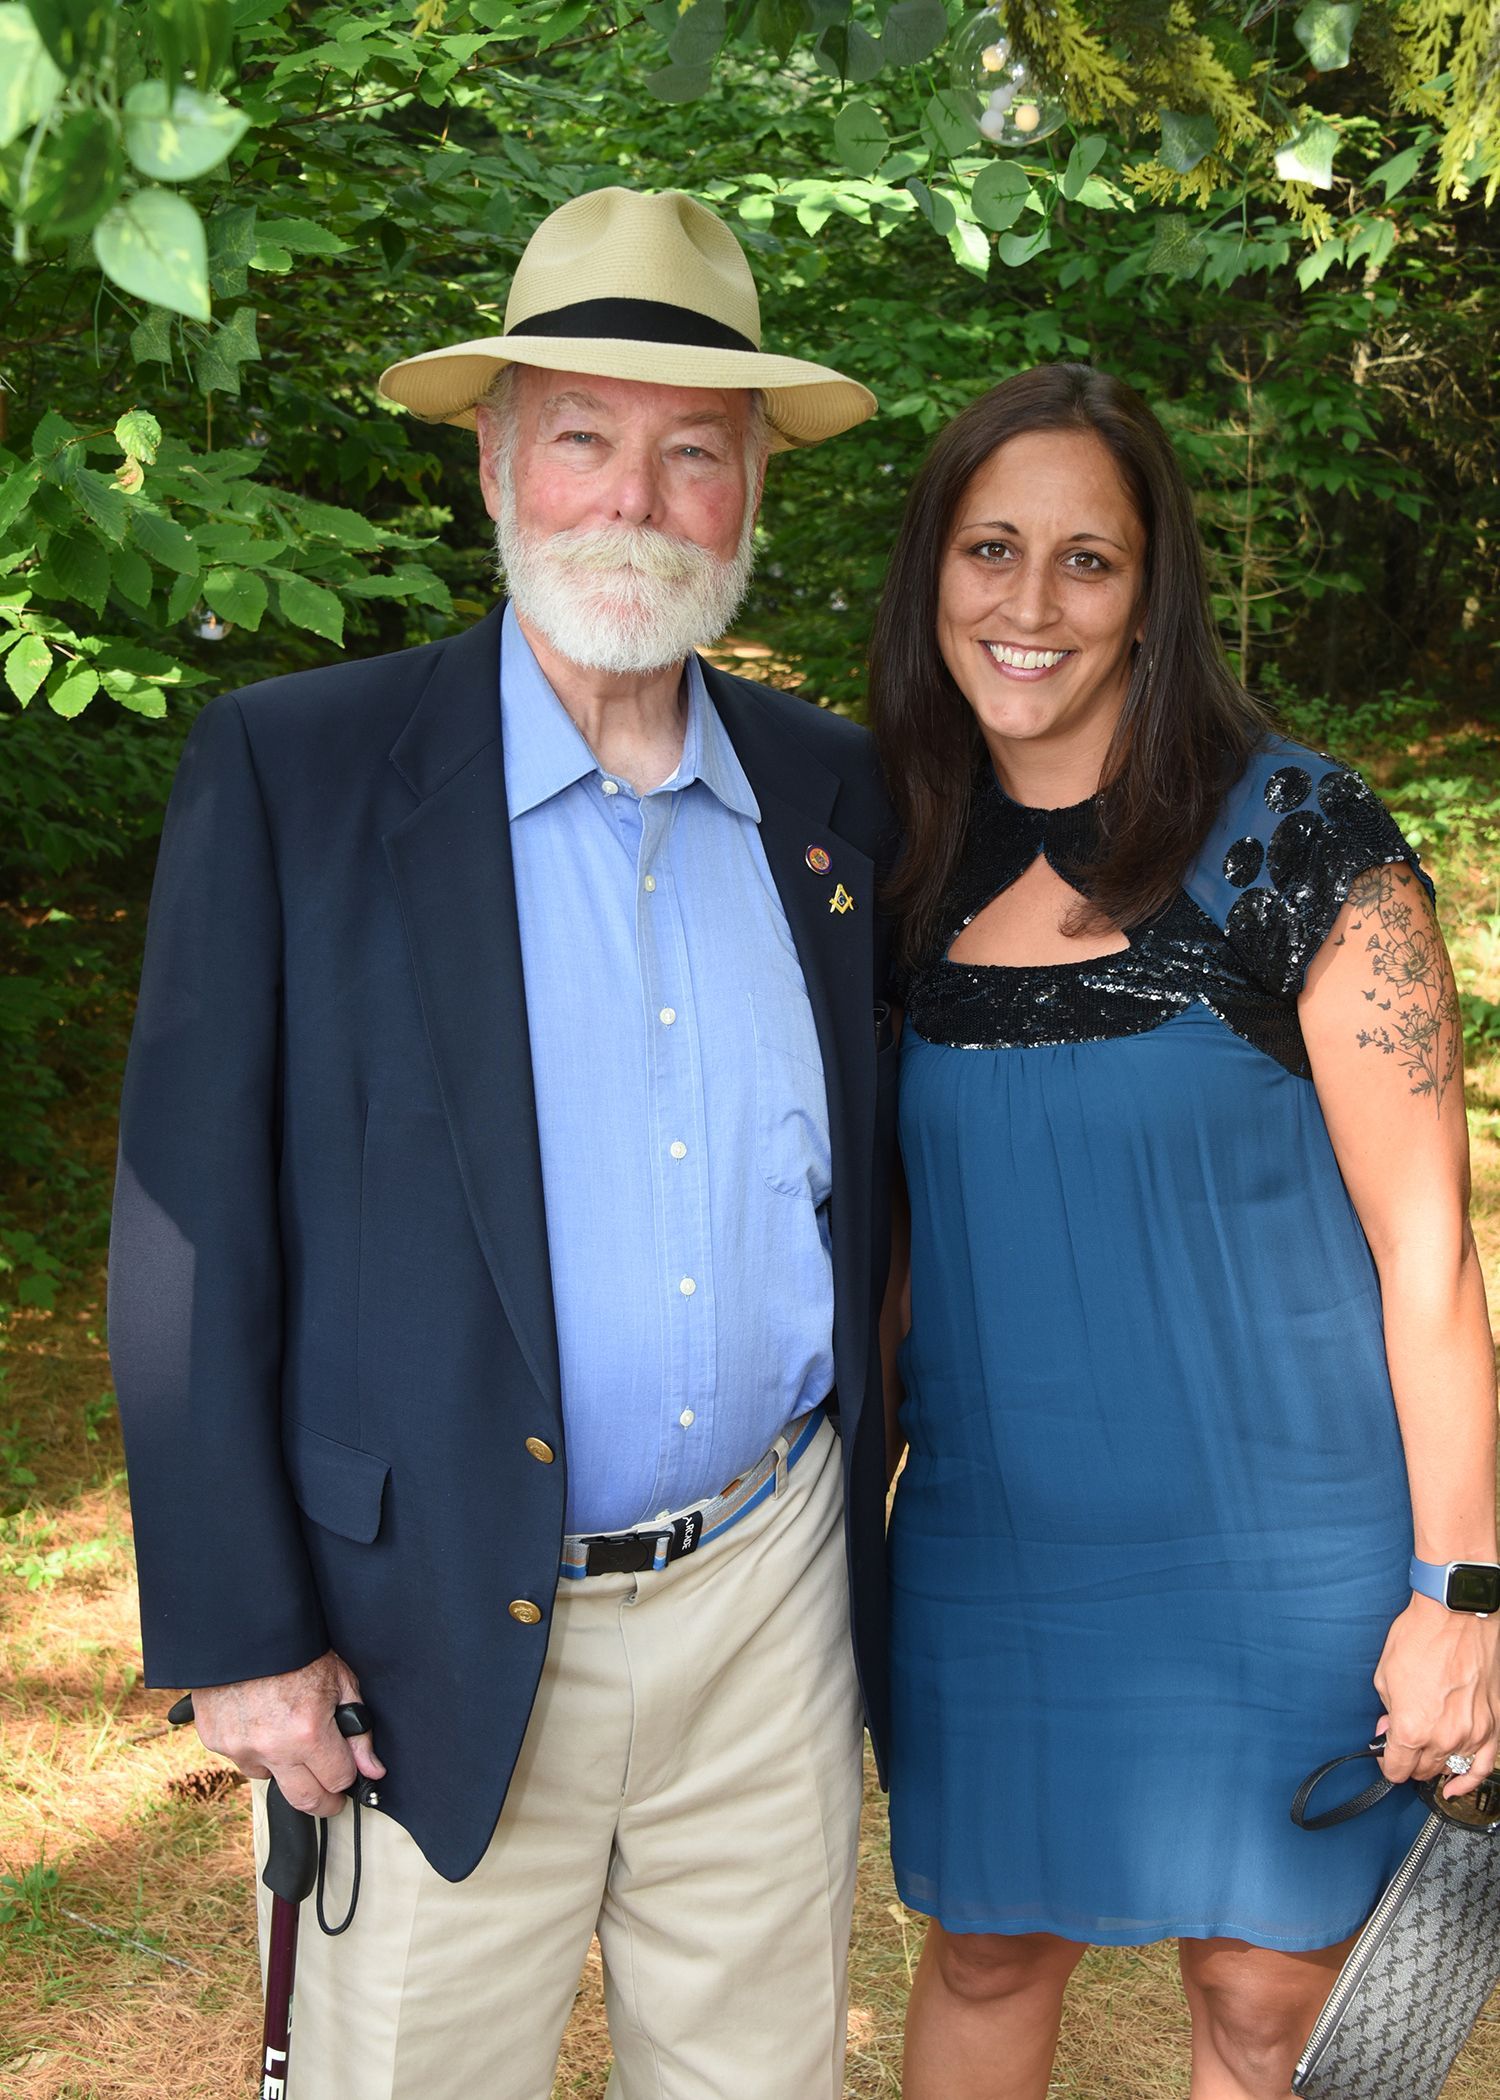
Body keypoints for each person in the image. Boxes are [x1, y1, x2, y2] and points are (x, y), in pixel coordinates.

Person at [109, 187, 901, 2100]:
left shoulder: (837, 797)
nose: (635, 497)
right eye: (581, 438)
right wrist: (247, 1636)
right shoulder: (296, 773)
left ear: (752, 496)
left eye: (693, 453)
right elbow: (186, 1235)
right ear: (491, 464)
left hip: (765, 1599)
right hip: (421, 1629)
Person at [869, 363, 1500, 2100]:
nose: (1031, 602)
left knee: (1261, 2002)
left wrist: (1463, 1592)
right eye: (991, 549)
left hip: (1289, 1550)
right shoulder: (890, 854)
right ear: (931, 572)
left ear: (1155, 593)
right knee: (984, 1948)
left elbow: (1429, 1254)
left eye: (1090, 559)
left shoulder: (1304, 840)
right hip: (997, 1541)